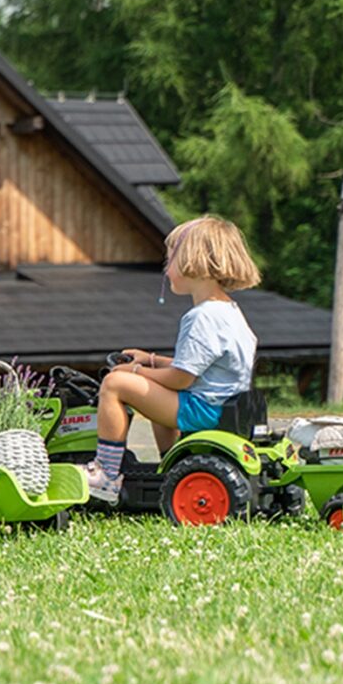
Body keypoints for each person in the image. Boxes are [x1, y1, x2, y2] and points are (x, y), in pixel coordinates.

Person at [86, 215, 261, 504]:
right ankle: (172, 463)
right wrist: (152, 360)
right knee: (156, 394)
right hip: (223, 405)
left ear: (195, 260)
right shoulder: (228, 311)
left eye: (171, 261)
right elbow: (201, 366)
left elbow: (181, 378)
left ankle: (106, 473)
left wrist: (136, 370)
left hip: (204, 410)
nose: (166, 271)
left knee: (115, 383)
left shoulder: (201, 317)